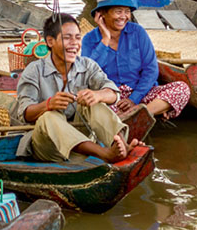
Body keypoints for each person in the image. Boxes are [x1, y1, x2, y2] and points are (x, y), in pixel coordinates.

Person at [12, 13, 139, 163]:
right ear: (50, 41)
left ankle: (121, 144)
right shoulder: (34, 70)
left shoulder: (87, 65)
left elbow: (113, 93)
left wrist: (98, 95)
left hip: (83, 142)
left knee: (95, 104)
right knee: (49, 116)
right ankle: (105, 154)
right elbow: (24, 113)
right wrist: (48, 104)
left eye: (78, 38)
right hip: (46, 146)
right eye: (67, 38)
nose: (74, 44)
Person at [82, 0, 191, 120]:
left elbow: (151, 70)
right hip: (111, 98)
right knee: (95, 108)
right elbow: (87, 75)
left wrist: (134, 99)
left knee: (182, 89)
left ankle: (138, 115)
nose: (124, 17)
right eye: (118, 11)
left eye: (127, 11)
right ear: (102, 13)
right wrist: (105, 39)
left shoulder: (137, 32)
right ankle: (131, 118)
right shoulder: (90, 40)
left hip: (140, 95)